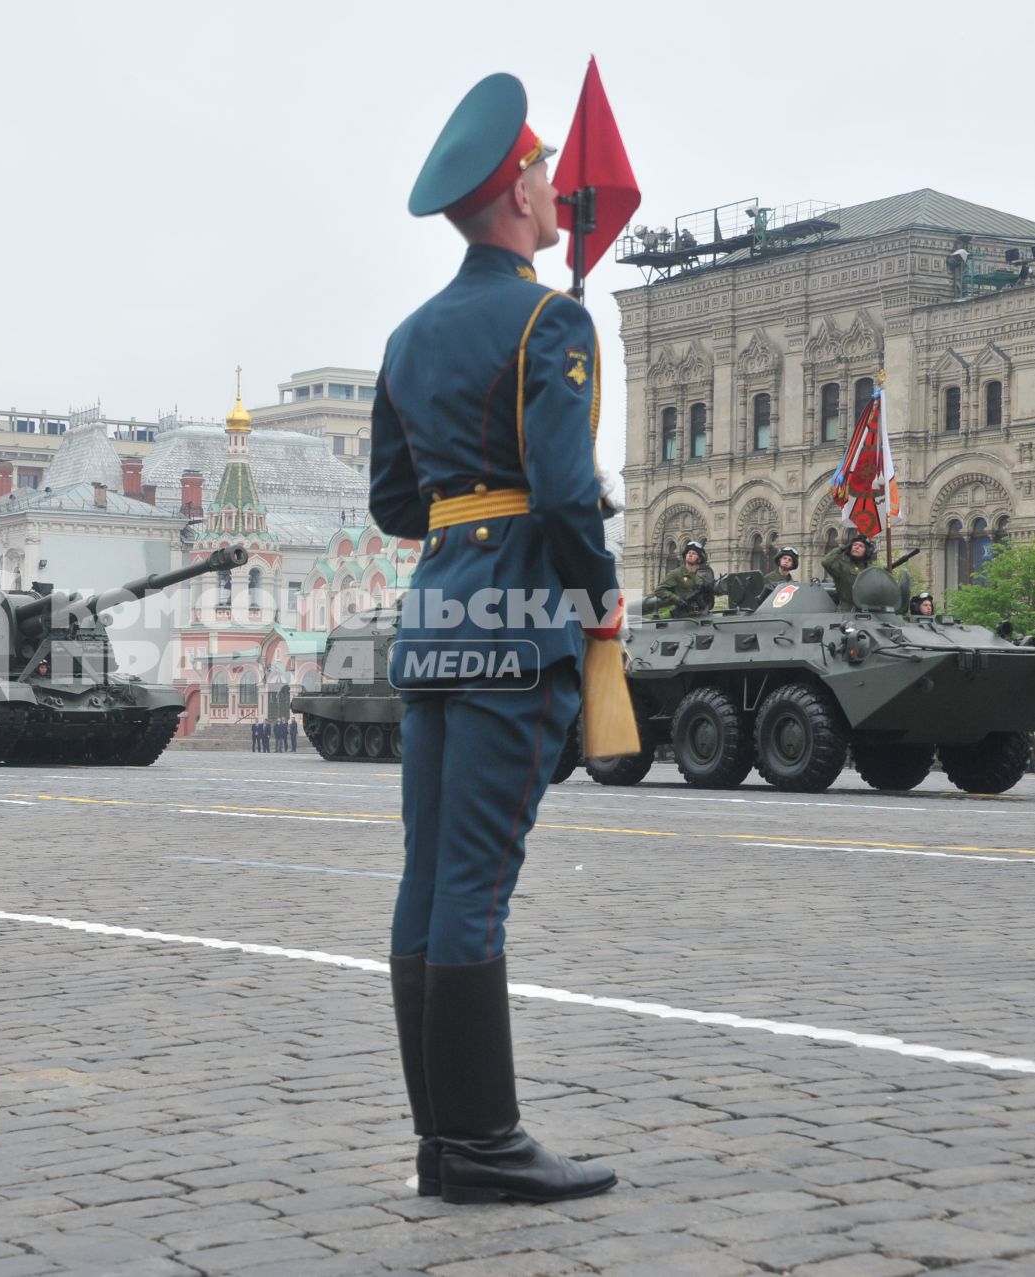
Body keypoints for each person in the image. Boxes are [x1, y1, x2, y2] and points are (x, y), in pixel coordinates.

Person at [369, 73, 619, 1206]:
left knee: (429, 882)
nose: (554, 181)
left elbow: (391, 502)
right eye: (543, 169)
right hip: (520, 627)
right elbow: (568, 496)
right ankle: (481, 1144)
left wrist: (470, 510)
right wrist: (598, 588)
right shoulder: (549, 319)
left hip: (435, 626)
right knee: (476, 885)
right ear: (519, 192)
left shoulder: (411, 335)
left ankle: (443, 1140)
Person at [651, 541, 715, 618]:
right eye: (688, 553)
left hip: (700, 616)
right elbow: (659, 590)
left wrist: (710, 592)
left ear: (699, 558)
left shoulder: (702, 577)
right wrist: (676, 599)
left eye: (694, 553)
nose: (690, 554)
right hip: (683, 617)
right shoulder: (676, 573)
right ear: (685, 556)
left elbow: (709, 603)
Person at [822, 532, 876, 607]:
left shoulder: (871, 570)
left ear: (866, 551)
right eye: (854, 545)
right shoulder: (843, 566)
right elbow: (826, 562)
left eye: (861, 546)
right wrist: (841, 549)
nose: (856, 547)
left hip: (868, 610)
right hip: (847, 610)